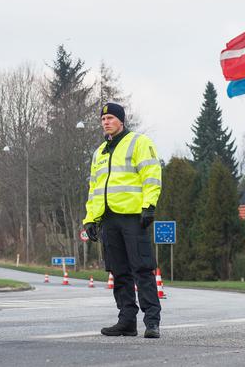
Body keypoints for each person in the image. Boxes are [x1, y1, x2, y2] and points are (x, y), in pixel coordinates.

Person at [83, 102, 163, 339]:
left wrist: (149, 206)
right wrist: (90, 219)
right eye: (102, 119)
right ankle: (127, 321)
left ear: (121, 120)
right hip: (108, 219)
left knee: (142, 268)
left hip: (133, 218)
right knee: (118, 272)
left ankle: (152, 321)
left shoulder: (138, 142)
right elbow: (94, 189)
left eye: (110, 118)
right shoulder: (99, 152)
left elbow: (151, 175)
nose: (105, 122)